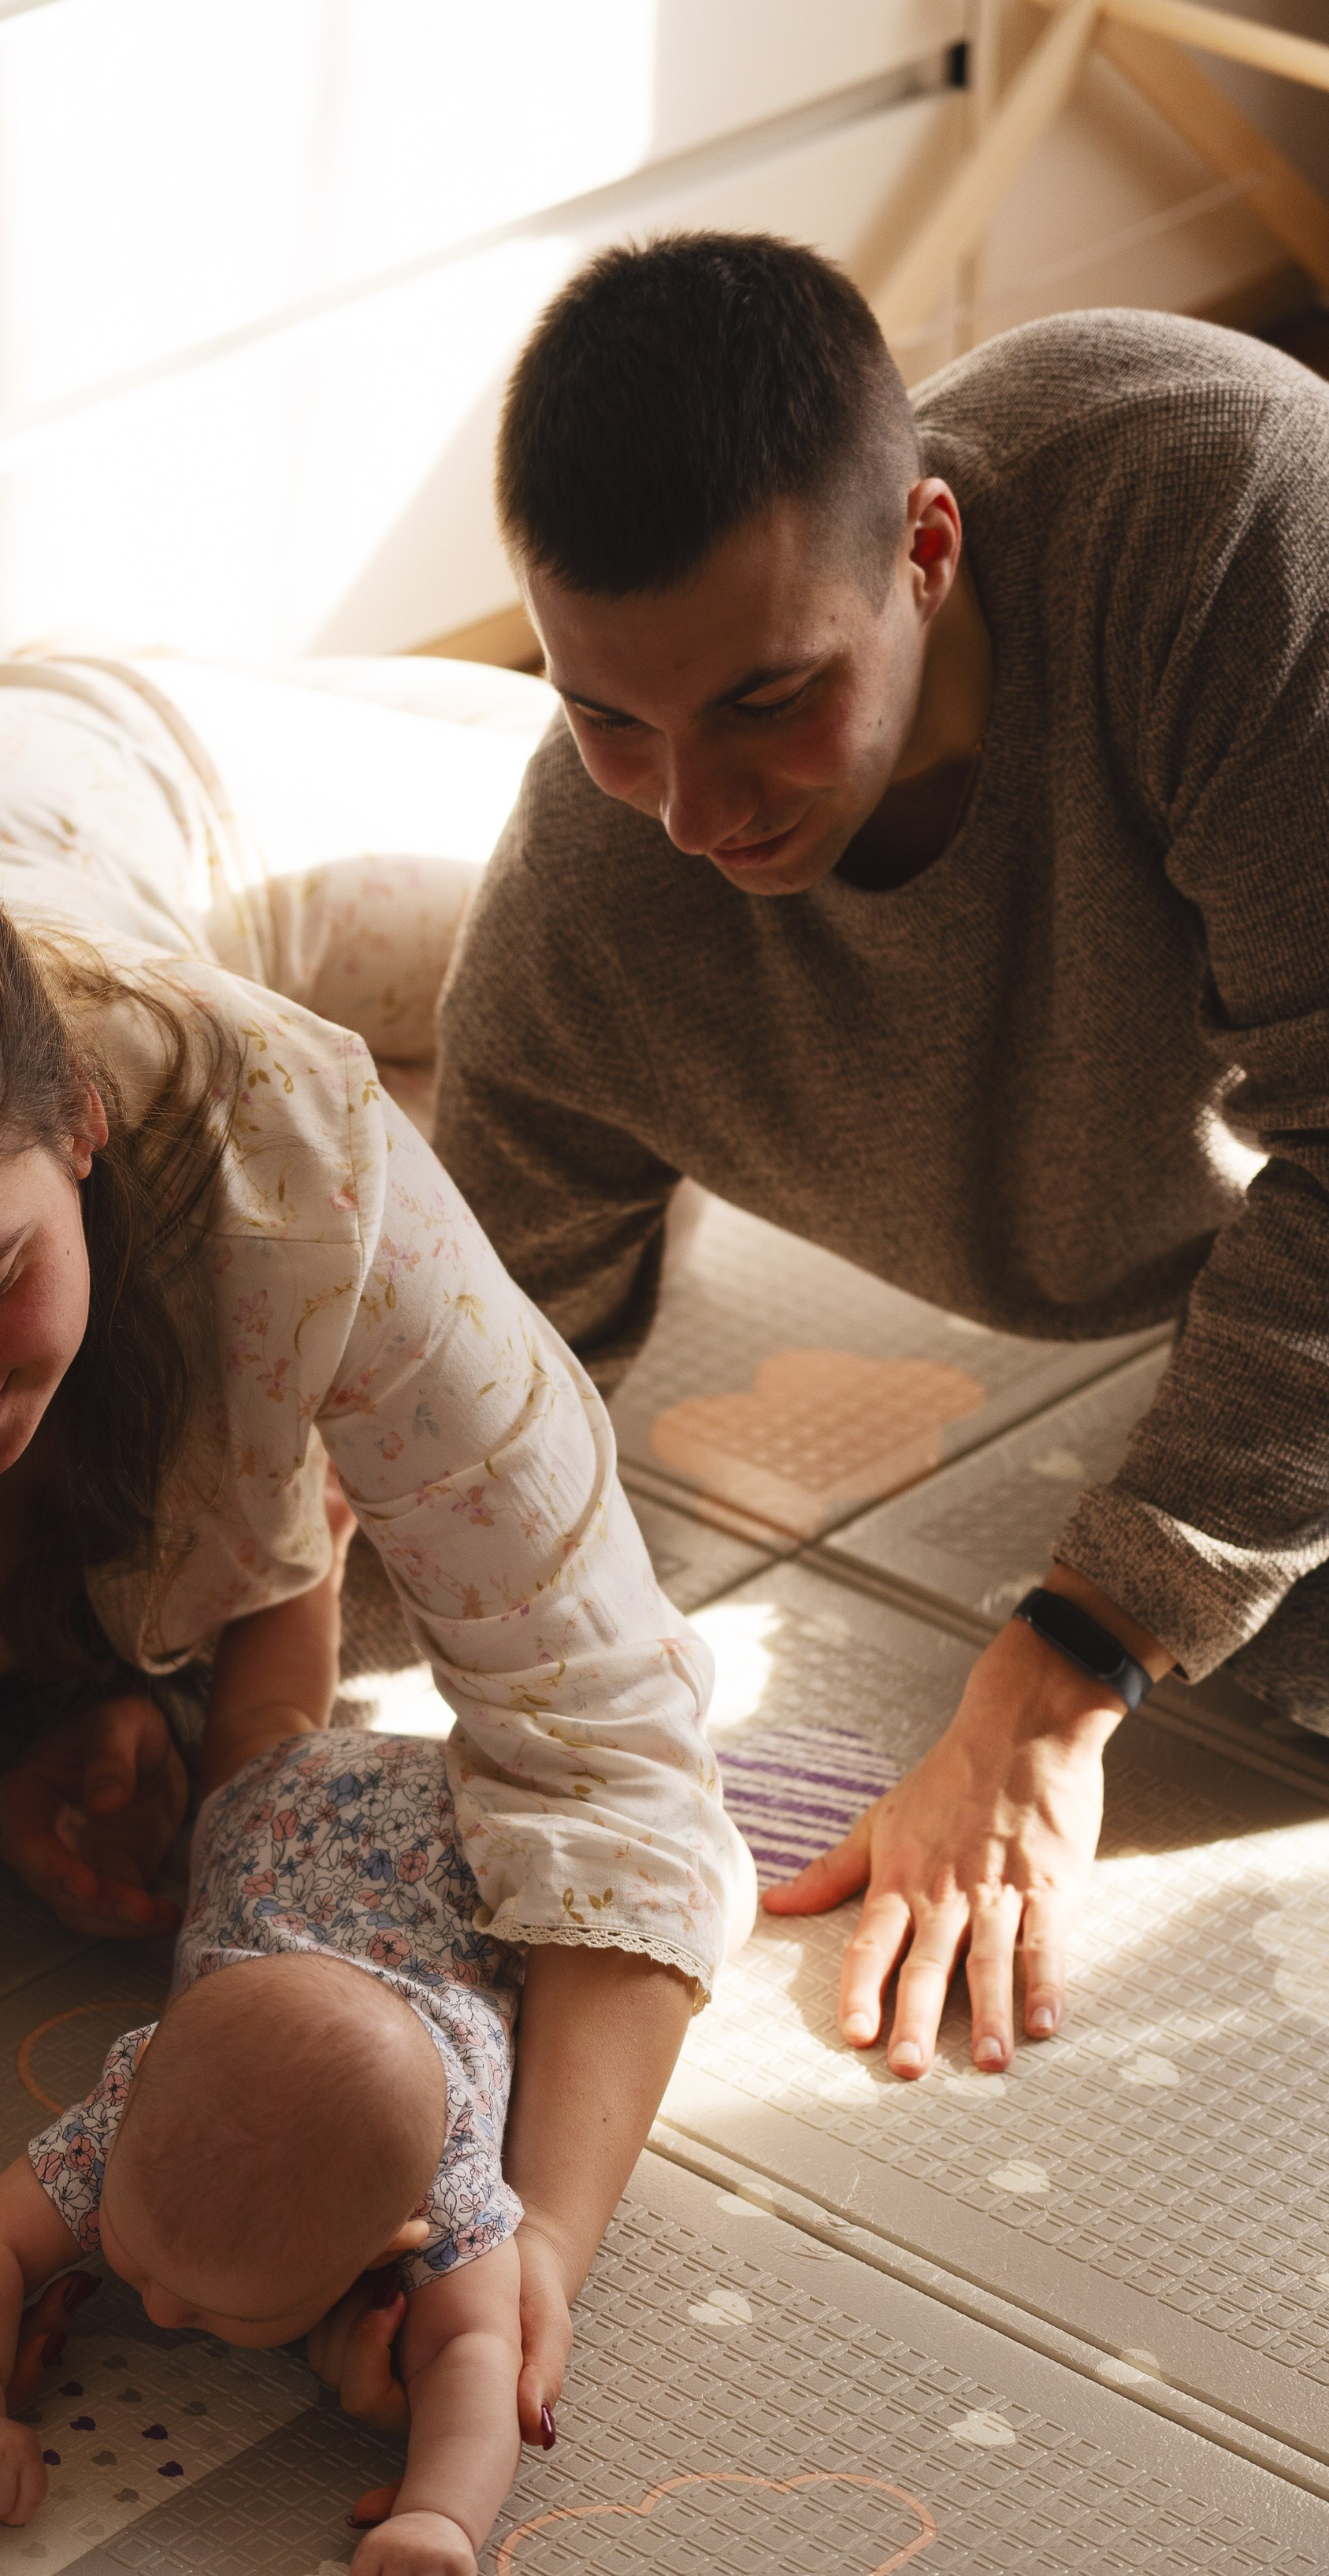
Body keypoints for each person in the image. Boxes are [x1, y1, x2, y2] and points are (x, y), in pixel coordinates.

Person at [0, 655, 753, 2453]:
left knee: (638, 949)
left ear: (80, 1127)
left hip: (120, 772)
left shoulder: (293, 1147)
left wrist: (533, 2247)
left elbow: (609, 1737)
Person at [434, 229, 1329, 2084]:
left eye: (766, 702)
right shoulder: (594, 896)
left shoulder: (1227, 525)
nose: (693, 813)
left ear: (927, 549)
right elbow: (475, 1372)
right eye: (607, 714)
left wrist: (1056, 1679)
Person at [0, 1523, 526, 2576]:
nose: (167, 2315)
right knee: (261, 1745)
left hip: (487, 1848)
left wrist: (443, 2511)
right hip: (287, 1817)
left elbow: (479, 2352)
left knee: (656, 1895)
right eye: (132, 2256)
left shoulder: (448, 2182)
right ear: (124, 2097)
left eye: (237, 2313)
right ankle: (306, 1539)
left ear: (392, 2240)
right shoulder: (143, 2107)